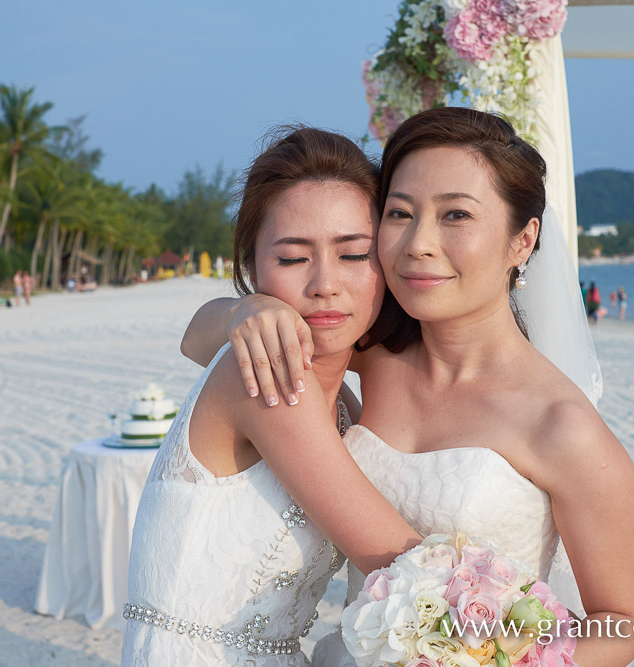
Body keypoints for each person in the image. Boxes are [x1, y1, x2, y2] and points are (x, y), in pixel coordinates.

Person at [184, 108, 634, 666]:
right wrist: (248, 310)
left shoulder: (560, 426)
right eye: (400, 213)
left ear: (522, 241)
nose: (418, 244)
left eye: (456, 215)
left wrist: (504, 660)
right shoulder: (372, 354)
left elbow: (628, 623)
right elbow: (197, 341)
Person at [123, 127, 421, 666]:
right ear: (253, 269)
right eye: (291, 260)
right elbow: (401, 565)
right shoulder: (268, 382)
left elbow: (196, 336)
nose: (324, 284)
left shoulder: (344, 410)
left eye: (354, 254)